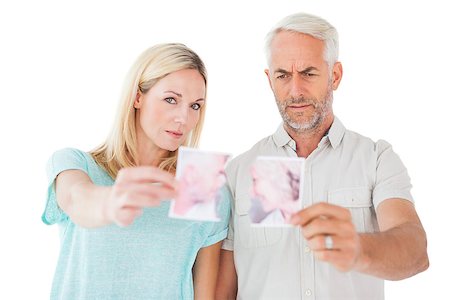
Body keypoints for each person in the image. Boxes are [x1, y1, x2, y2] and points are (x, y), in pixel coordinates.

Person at [216, 13, 429, 300]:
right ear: (269, 80)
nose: (295, 90)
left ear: (335, 75)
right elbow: (222, 290)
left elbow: (415, 251)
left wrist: (358, 249)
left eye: (308, 73)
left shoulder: (376, 159)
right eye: (283, 75)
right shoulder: (237, 172)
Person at [42, 43, 230, 299]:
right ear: (137, 97)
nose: (183, 119)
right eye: (171, 100)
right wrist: (109, 202)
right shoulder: (75, 163)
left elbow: (205, 295)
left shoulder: (204, 187)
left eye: (195, 106)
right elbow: (77, 198)